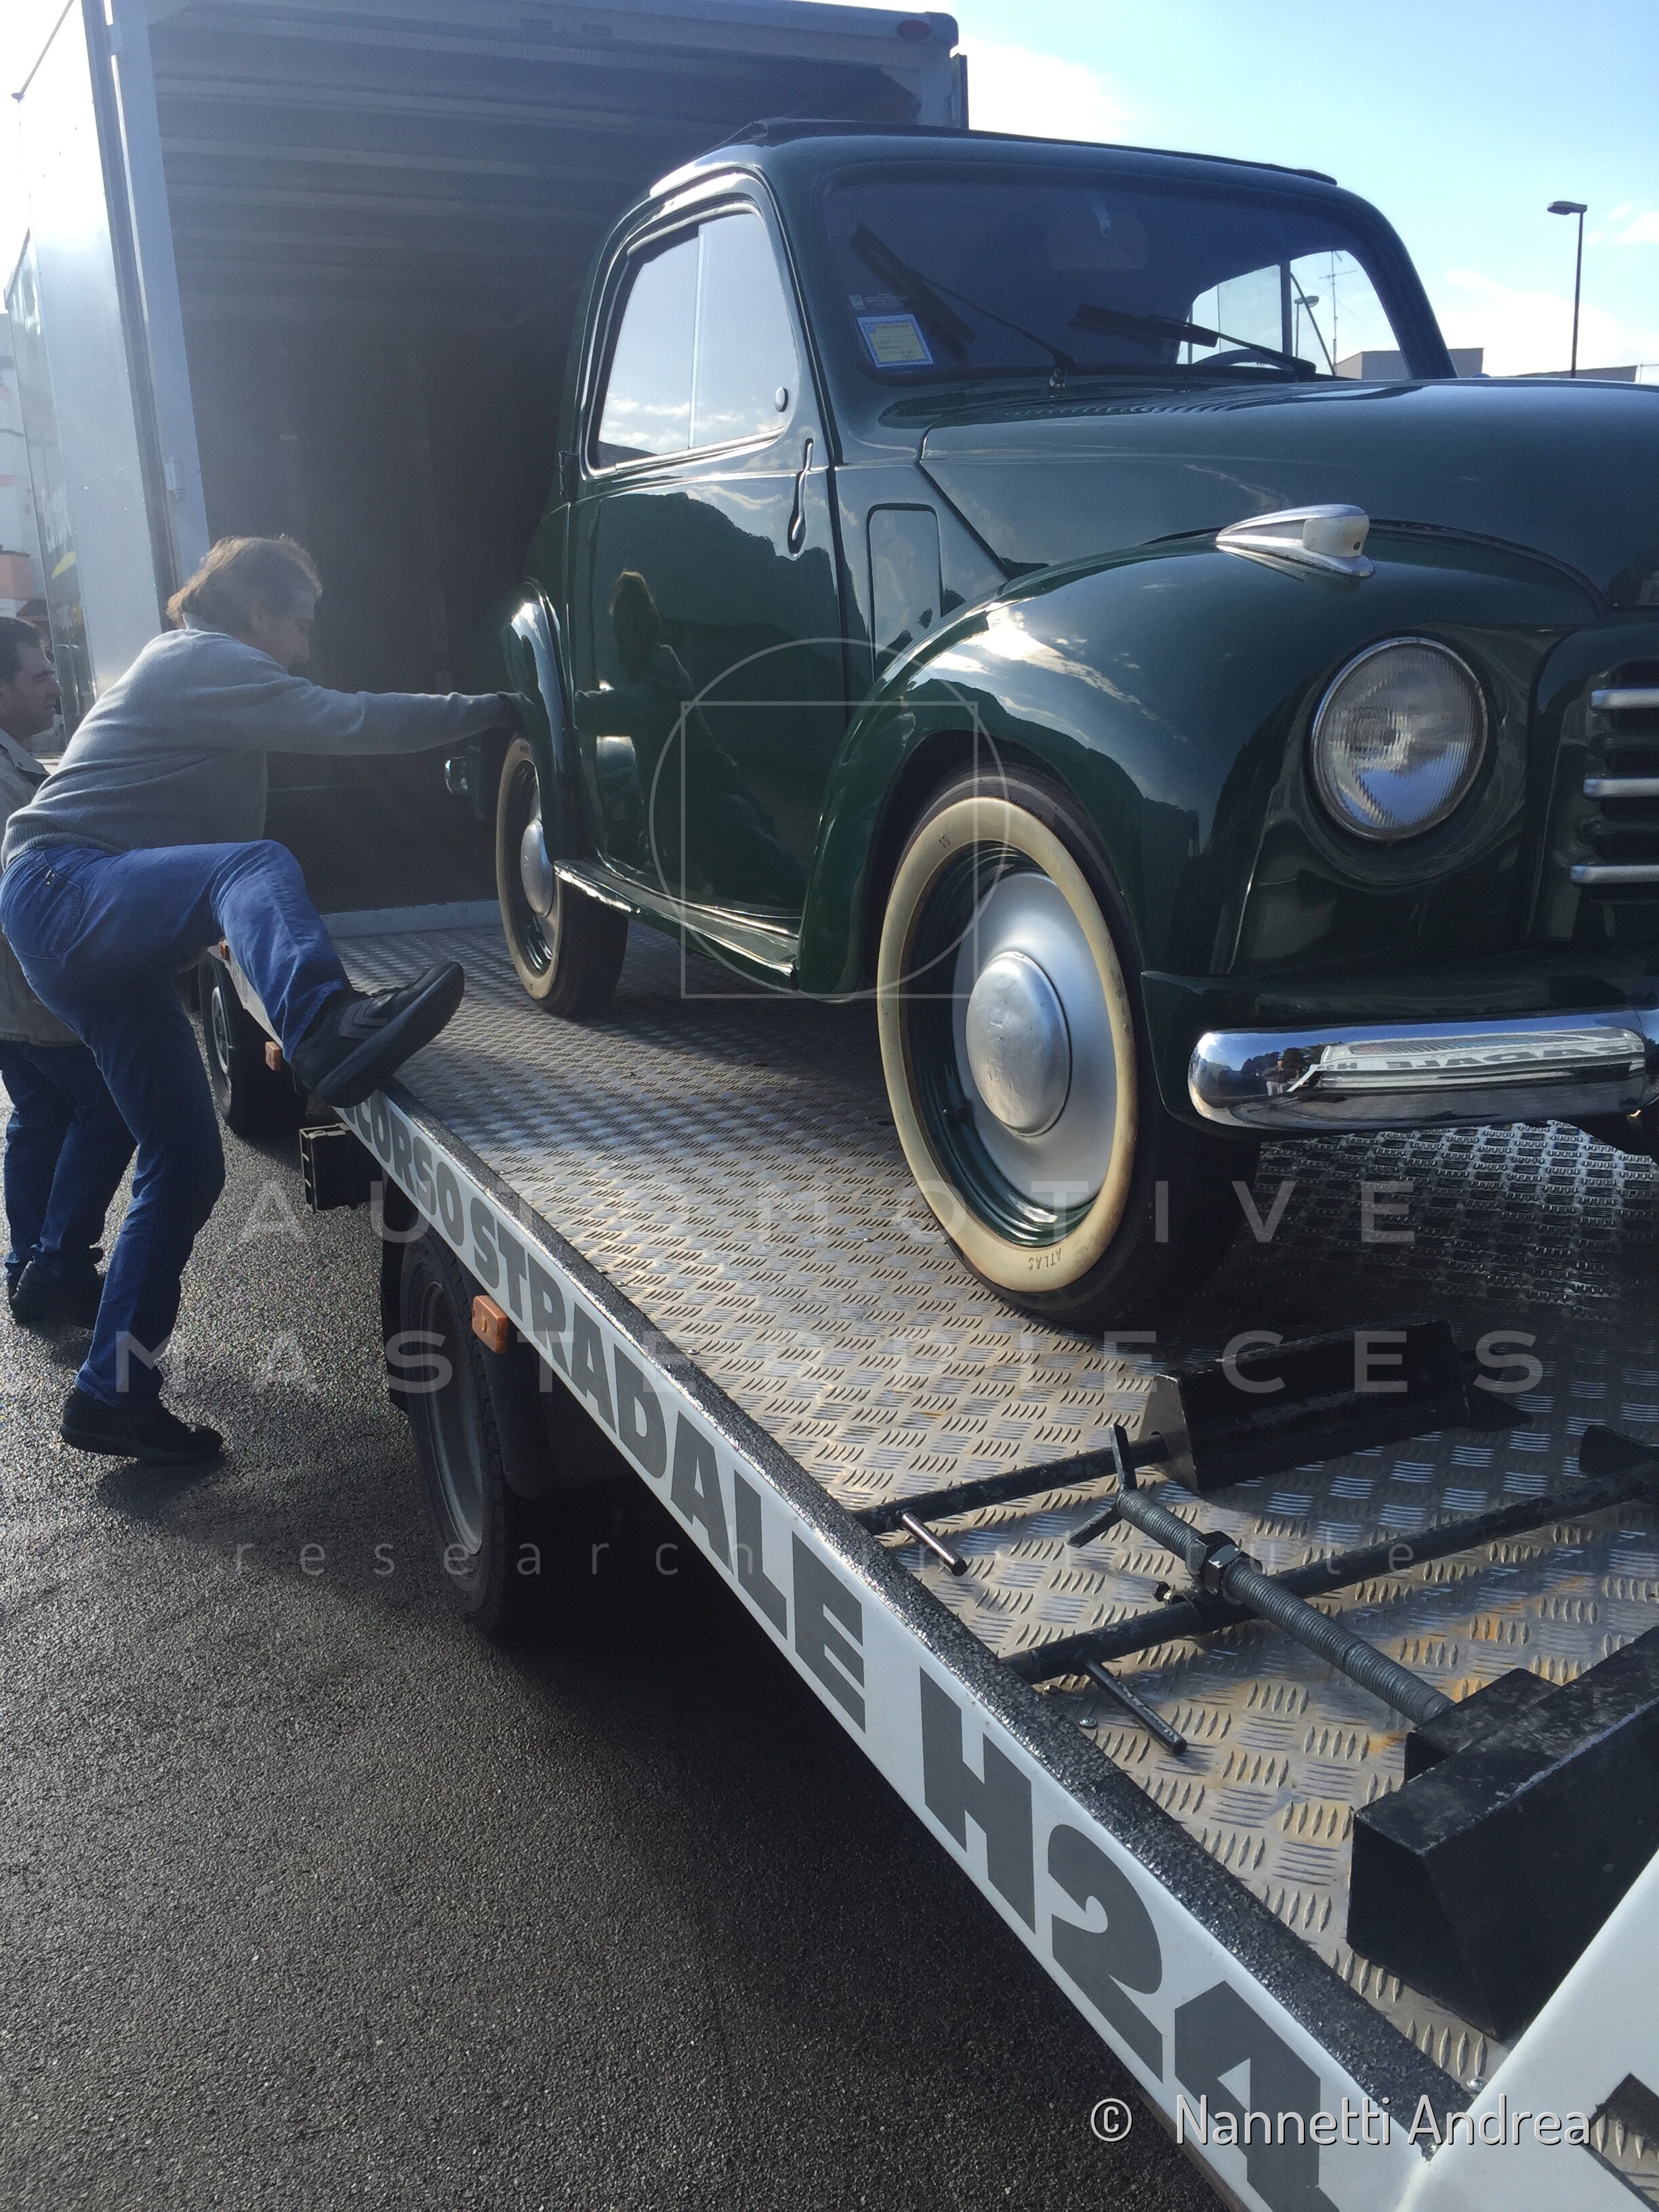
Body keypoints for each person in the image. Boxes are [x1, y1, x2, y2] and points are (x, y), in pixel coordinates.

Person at [0, 535, 519, 1468]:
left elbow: (215, 902)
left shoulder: (202, 679)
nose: (306, 647)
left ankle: (112, 1395)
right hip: (61, 887)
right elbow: (348, 721)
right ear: (258, 614)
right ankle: (329, 1026)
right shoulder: (200, 658)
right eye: (302, 624)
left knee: (186, 1165)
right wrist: (495, 710)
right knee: (256, 862)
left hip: (88, 932)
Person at [0, 617, 134, 1327]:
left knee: (40, 1117)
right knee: (111, 1108)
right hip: (31, 991)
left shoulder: (16, 764)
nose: (56, 686)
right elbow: (27, 888)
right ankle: (57, 1266)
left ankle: (30, 1265)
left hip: (14, 999)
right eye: (41, 674)